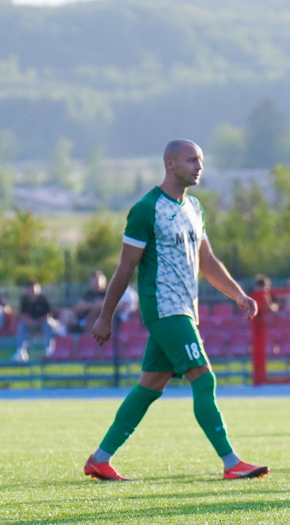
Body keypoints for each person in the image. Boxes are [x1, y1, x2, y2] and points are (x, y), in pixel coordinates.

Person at [83, 139, 268, 481]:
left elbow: (207, 261)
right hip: (165, 309)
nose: (199, 166)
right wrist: (105, 317)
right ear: (170, 163)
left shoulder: (194, 207)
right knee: (204, 377)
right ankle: (231, 462)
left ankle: (99, 458)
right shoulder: (146, 209)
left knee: (150, 386)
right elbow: (125, 269)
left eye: (201, 160)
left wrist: (238, 295)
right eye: (191, 160)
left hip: (184, 309)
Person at [14, 281, 65, 361]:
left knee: (47, 325)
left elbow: (48, 315)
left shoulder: (43, 299)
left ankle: (49, 350)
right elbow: (22, 315)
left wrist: (38, 322)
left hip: (42, 321)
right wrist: (29, 321)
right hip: (30, 323)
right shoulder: (24, 299)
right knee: (21, 326)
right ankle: (21, 351)